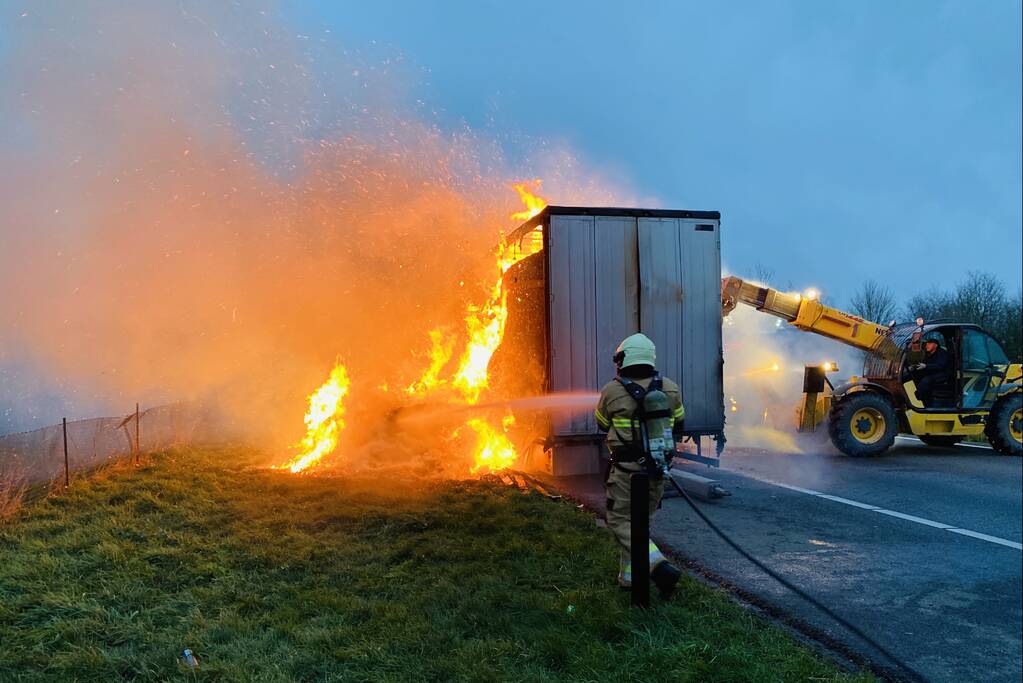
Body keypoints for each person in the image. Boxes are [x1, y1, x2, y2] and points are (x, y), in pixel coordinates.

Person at [594, 333, 685, 598]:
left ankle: (659, 567)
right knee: (640, 524)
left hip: (626, 472)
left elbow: (601, 422)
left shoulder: (612, 390)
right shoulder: (669, 387)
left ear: (624, 358)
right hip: (657, 470)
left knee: (620, 520)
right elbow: (680, 424)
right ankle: (629, 577)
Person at [909, 338, 953, 406]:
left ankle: (919, 397)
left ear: (935, 345)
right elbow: (924, 363)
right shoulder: (928, 353)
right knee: (914, 375)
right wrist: (914, 367)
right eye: (926, 344)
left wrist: (926, 366)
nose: (927, 346)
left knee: (926, 380)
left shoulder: (942, 353)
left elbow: (940, 366)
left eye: (929, 344)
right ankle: (910, 395)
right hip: (932, 372)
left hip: (942, 374)